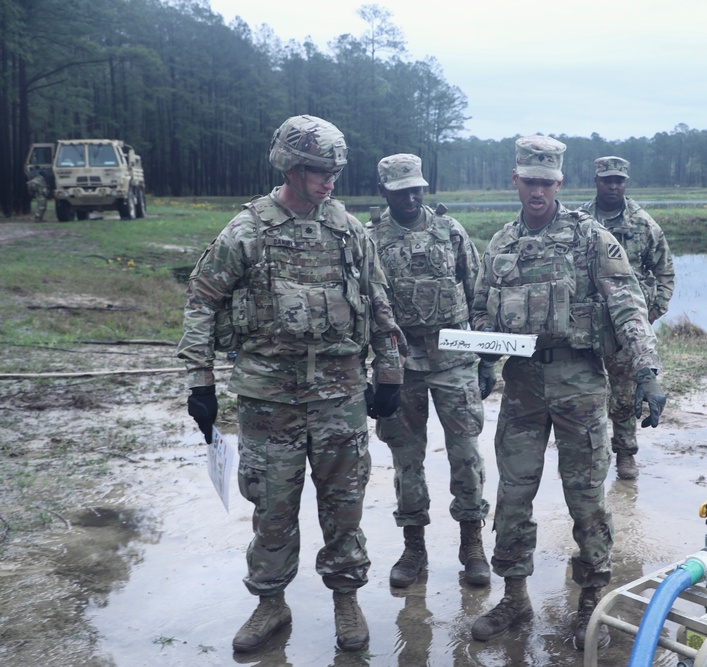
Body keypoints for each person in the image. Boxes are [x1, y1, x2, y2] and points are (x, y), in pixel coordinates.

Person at [177, 115, 405, 655]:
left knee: (344, 503)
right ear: (291, 167)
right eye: (320, 171)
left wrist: (389, 373)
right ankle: (270, 602)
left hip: (339, 393)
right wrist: (199, 379)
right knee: (273, 505)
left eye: (336, 171)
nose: (330, 181)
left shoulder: (348, 230)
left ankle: (345, 597)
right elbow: (203, 300)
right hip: (268, 395)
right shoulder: (247, 230)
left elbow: (379, 304)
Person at [468, 136, 666, 650]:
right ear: (516, 181)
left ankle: (590, 600)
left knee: (586, 496)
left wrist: (647, 370)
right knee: (513, 493)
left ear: (559, 183)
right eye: (529, 181)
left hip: (579, 381)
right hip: (524, 385)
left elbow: (628, 305)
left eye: (547, 182)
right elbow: (480, 313)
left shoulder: (590, 237)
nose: (537, 191)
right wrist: (486, 360)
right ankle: (514, 595)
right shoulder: (501, 244)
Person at [365, 153, 492, 589]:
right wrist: (376, 375)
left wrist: (487, 360)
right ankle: (413, 545)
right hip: (400, 363)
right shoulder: (371, 239)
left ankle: (471, 543)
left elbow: (477, 296)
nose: (412, 197)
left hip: (454, 357)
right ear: (384, 192)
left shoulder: (449, 230)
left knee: (466, 454)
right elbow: (365, 308)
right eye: (402, 191)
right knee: (406, 459)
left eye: (418, 188)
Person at [580, 156, 675, 479]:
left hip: (627, 328)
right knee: (584, 392)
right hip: (587, 324)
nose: (613, 186)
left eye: (619, 180)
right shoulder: (580, 220)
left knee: (623, 393)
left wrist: (649, 315)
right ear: (597, 181)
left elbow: (664, 272)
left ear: (626, 183)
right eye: (607, 180)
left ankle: (625, 454)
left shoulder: (643, 224)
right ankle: (588, 456)